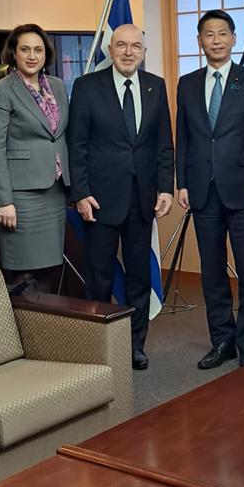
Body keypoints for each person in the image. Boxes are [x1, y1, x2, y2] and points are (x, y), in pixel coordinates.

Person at [176, 9, 244, 369]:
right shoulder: (187, 84)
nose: (216, 40)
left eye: (222, 33)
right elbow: (184, 139)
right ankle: (222, 340)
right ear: (199, 41)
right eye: (209, 34)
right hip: (202, 190)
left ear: (234, 38)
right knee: (212, 271)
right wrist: (182, 183)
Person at [68, 23, 174, 370]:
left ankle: (135, 345)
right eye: (122, 45)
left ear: (143, 52)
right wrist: (81, 193)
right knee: (98, 278)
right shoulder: (87, 87)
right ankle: (99, 347)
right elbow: (77, 145)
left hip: (142, 200)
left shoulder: (155, 86)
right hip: (99, 201)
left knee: (139, 278)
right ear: (111, 50)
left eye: (135, 46)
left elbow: (163, 144)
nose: (129, 52)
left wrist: (166, 188)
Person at [0, 24, 70, 293]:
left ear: (46, 54)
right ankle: (25, 320)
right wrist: (4, 200)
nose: (32, 56)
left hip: (55, 191)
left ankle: (45, 318)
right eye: (25, 49)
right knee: (24, 271)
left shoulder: (57, 86)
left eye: (38, 50)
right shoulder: (1, 90)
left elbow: (59, 135)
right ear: (14, 53)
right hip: (22, 196)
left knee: (49, 268)